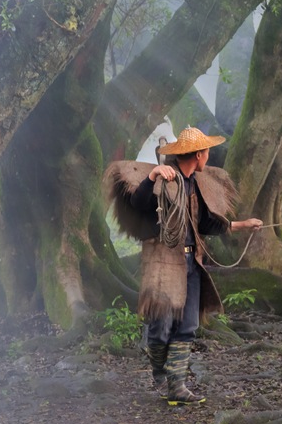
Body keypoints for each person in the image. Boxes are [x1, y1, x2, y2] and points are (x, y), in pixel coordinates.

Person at [104, 126, 262, 405]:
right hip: (164, 261)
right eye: (207, 152)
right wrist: (153, 175)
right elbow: (139, 204)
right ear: (199, 154)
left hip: (192, 261)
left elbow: (205, 223)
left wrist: (242, 226)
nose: (208, 157)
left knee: (187, 325)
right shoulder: (165, 179)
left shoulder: (194, 184)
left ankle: (177, 386)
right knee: (162, 327)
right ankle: (157, 366)